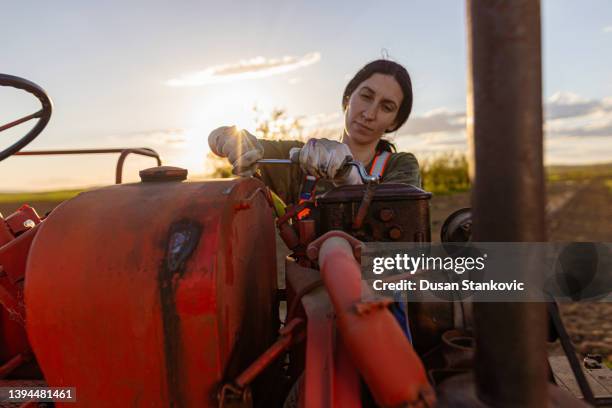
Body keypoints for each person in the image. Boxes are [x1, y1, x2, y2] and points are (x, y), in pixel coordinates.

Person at [208, 59, 421, 205]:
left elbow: (398, 227)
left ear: (395, 122)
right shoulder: (296, 158)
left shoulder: (400, 166)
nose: (370, 113)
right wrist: (230, 140)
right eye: (366, 96)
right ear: (348, 98)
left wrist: (348, 177)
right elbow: (220, 135)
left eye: (386, 107)